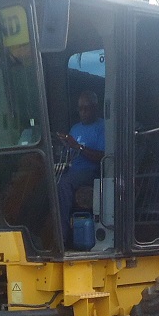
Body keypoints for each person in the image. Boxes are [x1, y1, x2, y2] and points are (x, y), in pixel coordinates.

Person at [56, 91, 106, 243]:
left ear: (95, 108)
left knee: (64, 183)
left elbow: (102, 157)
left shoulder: (102, 127)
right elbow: (69, 152)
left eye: (86, 108)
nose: (83, 112)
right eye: (80, 109)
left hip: (91, 172)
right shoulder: (75, 128)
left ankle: (62, 236)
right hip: (73, 168)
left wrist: (78, 147)